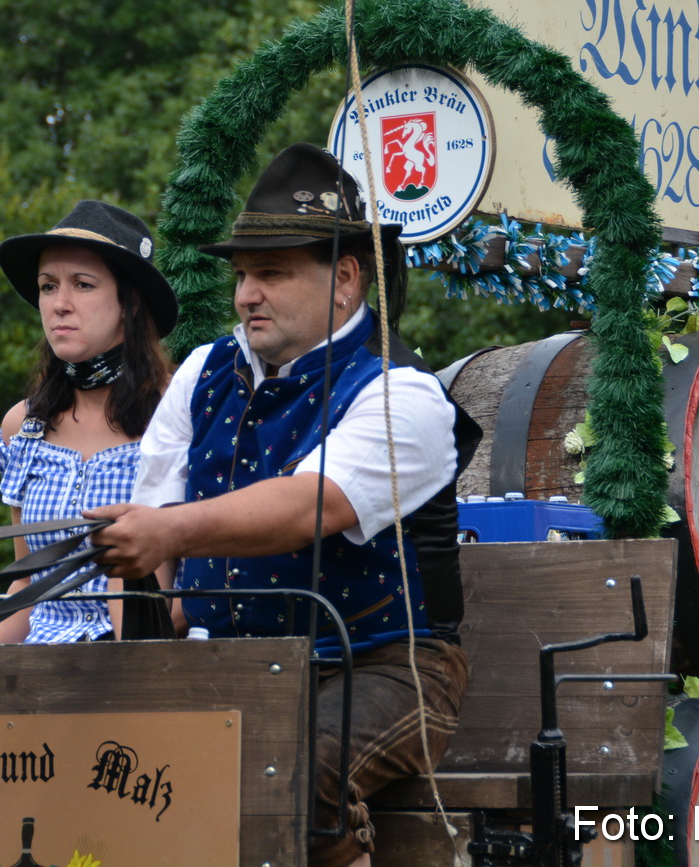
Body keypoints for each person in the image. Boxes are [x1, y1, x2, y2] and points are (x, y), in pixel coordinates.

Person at [89, 143, 475, 867]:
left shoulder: (404, 394)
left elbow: (308, 505)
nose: (245, 295)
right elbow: (147, 538)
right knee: (109, 773)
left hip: (385, 667)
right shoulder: (203, 371)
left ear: (347, 279)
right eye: (241, 275)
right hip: (230, 667)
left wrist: (165, 531)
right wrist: (142, 659)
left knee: (282, 768)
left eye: (271, 272)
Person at [0, 200, 178, 645]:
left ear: (131, 302)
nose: (59, 305)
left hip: (145, 666)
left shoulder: (177, 411)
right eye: (47, 287)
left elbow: (189, 597)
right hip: (40, 672)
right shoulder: (23, 426)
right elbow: (28, 586)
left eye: (82, 285)